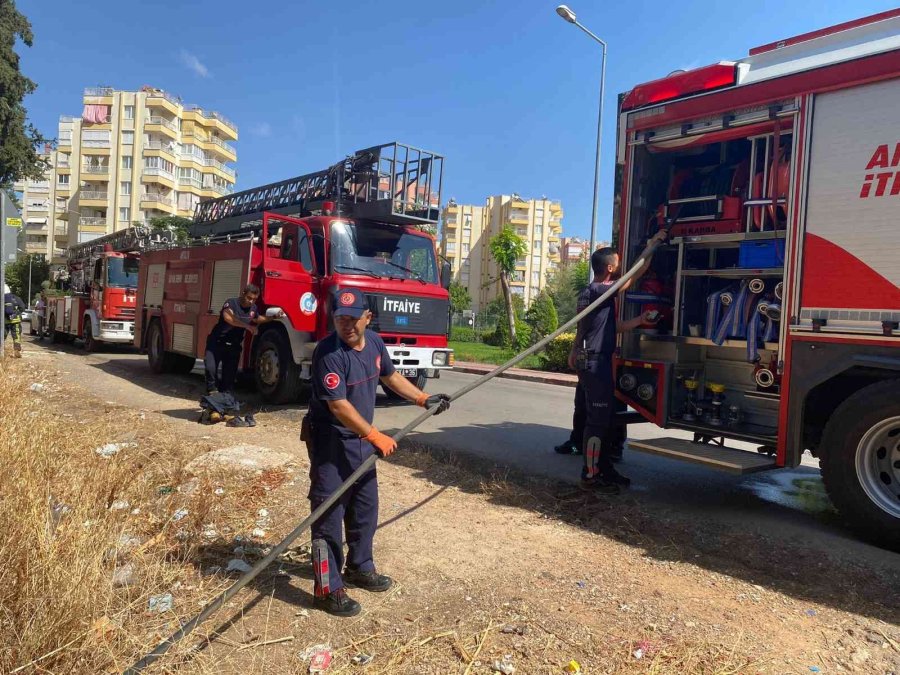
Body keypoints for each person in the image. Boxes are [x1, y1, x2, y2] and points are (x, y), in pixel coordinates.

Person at [304, 287, 451, 617]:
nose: (348, 326)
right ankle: (327, 589)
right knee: (329, 512)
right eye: (341, 319)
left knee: (365, 507)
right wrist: (374, 434)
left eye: (354, 319)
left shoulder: (373, 343)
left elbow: (391, 375)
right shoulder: (329, 353)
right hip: (331, 442)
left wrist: (421, 399)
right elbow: (338, 405)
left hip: (360, 442)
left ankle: (359, 567)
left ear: (367, 318)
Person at [570, 234, 666, 493]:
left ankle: (603, 469)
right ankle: (590, 475)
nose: (622, 266)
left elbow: (601, 328)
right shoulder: (600, 290)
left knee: (606, 419)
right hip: (595, 362)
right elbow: (637, 273)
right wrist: (651, 245)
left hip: (593, 360)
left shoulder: (590, 294)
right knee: (598, 421)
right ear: (610, 268)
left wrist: (640, 320)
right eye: (618, 263)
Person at [203, 284, 281, 395]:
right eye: (249, 298)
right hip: (216, 343)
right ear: (243, 294)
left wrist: (273, 317)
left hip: (233, 346)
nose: (251, 301)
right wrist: (247, 326)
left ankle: (224, 401)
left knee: (229, 378)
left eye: (254, 299)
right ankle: (211, 394)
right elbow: (229, 318)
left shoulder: (253, 308)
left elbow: (257, 318)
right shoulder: (231, 303)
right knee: (211, 369)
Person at [3, 284, 26, 358]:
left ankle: (1, 351)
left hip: (5, 322)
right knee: (16, 336)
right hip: (16, 321)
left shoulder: (2, 298)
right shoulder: (17, 298)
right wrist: (16, 314)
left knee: (2, 336)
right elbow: (22, 308)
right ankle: (17, 351)